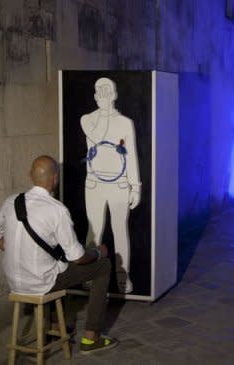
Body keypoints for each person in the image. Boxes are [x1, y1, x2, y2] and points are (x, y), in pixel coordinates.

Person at [0, 155, 118, 354]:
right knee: (103, 266)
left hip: (14, 283)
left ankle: (57, 328)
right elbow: (78, 258)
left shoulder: (11, 202)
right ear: (55, 179)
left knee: (59, 263)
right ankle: (91, 338)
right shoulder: (57, 210)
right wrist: (99, 253)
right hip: (41, 283)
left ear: (31, 176)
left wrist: (17, 252)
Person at [80, 77, 141, 294]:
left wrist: (136, 186)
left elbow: (131, 155)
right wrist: (105, 112)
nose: (103, 95)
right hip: (95, 184)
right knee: (94, 231)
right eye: (99, 92)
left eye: (107, 91)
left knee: (119, 231)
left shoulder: (125, 123)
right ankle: (88, 274)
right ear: (95, 96)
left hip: (119, 185)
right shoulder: (87, 120)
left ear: (114, 95)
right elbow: (99, 136)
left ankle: (122, 275)